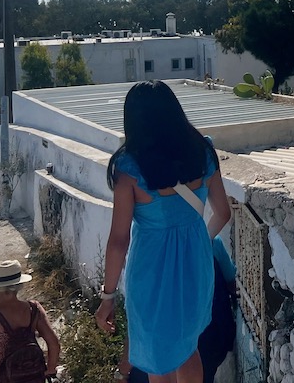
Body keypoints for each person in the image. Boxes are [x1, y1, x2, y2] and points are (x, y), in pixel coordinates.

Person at [95, 80, 231, 383]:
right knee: (188, 348)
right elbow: (223, 213)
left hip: (152, 270)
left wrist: (108, 297)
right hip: (196, 266)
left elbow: (119, 240)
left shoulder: (129, 168)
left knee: (159, 362)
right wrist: (196, 244)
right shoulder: (204, 153)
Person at [122, 236, 238, 383]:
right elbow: (232, 282)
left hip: (169, 345)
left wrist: (123, 372)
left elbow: (138, 321)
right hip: (212, 338)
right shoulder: (211, 242)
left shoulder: (150, 252)